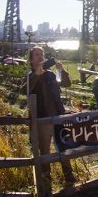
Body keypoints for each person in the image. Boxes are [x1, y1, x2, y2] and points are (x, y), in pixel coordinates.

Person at [24, 46, 74, 185]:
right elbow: (24, 90)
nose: (40, 57)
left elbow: (66, 83)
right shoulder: (30, 76)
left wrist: (61, 70)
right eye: (37, 55)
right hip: (42, 119)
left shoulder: (51, 74)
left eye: (42, 54)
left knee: (63, 147)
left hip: (58, 116)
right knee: (44, 150)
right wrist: (36, 75)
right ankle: (46, 179)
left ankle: (69, 177)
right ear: (31, 60)